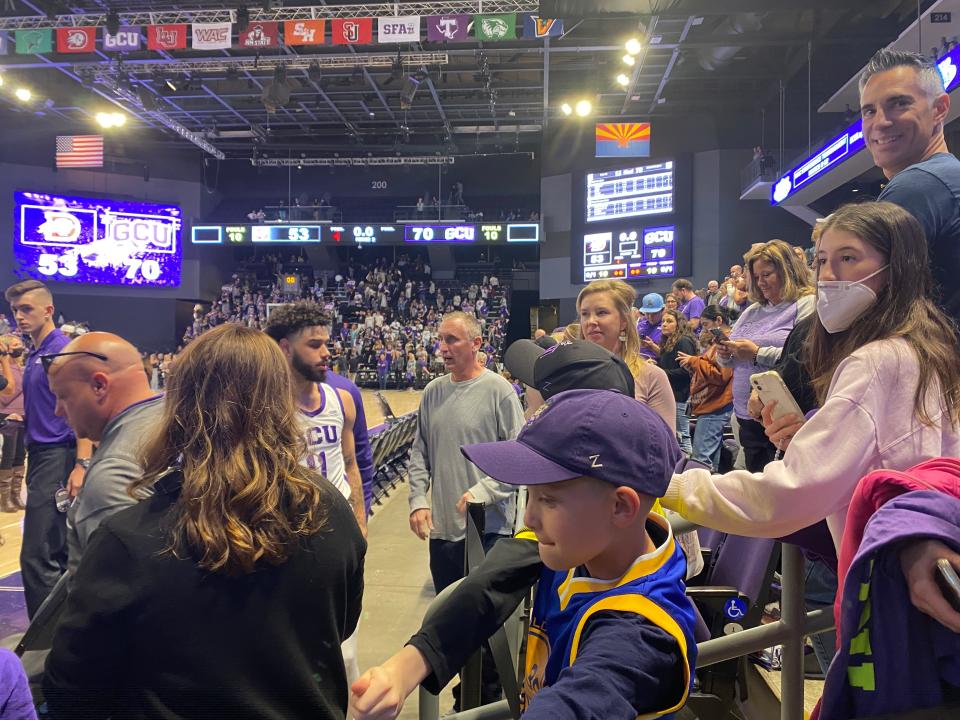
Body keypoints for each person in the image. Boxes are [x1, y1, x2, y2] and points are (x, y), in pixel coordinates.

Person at [663, 202, 960, 633]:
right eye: (822, 260)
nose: (830, 277)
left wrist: (673, 488)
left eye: (849, 258)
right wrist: (810, 437)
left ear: (898, 267)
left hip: (893, 588)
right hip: (918, 560)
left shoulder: (877, 361)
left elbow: (792, 494)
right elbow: (885, 454)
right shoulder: (928, 344)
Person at [43, 324, 366, 719]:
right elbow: (343, 624)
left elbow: (73, 688)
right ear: (283, 403)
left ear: (178, 406)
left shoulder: (128, 537)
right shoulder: (332, 509)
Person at [349, 390, 697, 720]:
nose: (529, 518)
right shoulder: (586, 549)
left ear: (621, 506)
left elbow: (583, 698)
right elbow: (489, 587)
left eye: (548, 499)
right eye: (529, 496)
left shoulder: (643, 632)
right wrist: (406, 666)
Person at [407, 311, 524, 710]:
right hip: (445, 531)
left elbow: (520, 456)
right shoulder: (433, 392)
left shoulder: (499, 392)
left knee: (488, 630)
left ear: (476, 344)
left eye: (453, 340)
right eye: (441, 340)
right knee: (452, 623)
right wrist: (418, 501)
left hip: (488, 532)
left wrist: (486, 490)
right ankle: (466, 693)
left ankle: (484, 704)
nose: (443, 348)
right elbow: (419, 452)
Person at [5, 280, 93, 617]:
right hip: (40, 457)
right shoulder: (37, 353)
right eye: (16, 310)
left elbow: (80, 408)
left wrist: (82, 464)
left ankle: (46, 646)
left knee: (38, 555)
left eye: (27, 309)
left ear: (48, 310)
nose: (20, 316)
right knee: (53, 552)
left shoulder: (61, 350)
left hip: (59, 456)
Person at [44, 333, 163, 581]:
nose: (57, 411)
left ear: (99, 385)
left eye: (63, 396)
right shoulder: (183, 419)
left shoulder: (114, 473)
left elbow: (117, 593)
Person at [860, 48, 960, 325]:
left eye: (899, 104)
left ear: (939, 108)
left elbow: (866, 312)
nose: (880, 122)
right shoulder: (946, 178)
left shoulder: (918, 186)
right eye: (869, 110)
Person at [715, 240, 814, 471]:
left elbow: (803, 358)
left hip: (783, 417)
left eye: (767, 274)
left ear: (787, 271)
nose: (761, 282)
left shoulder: (806, 304)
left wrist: (757, 353)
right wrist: (725, 353)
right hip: (746, 415)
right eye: (756, 277)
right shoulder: (752, 311)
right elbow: (728, 361)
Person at [577, 280, 676, 431]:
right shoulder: (568, 374)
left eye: (601, 312)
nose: (591, 321)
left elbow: (665, 445)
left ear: (623, 321)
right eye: (585, 314)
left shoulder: (652, 376)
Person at [678, 305, 734, 471]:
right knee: (710, 462)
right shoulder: (717, 343)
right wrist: (694, 367)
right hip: (712, 404)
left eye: (705, 324)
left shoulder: (725, 343)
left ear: (718, 320)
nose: (704, 329)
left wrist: (695, 362)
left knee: (701, 460)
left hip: (716, 405)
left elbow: (721, 375)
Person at [654, 309, 698, 454]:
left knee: (682, 436)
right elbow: (668, 366)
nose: (664, 325)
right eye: (663, 322)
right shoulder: (668, 343)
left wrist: (661, 373)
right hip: (671, 394)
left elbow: (687, 372)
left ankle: (687, 471)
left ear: (679, 324)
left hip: (680, 395)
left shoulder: (683, 341)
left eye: (669, 321)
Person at [0, 334, 26, 513]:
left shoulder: (24, 369)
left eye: (20, 344)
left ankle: (16, 495)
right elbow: (5, 395)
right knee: (7, 456)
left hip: (25, 417)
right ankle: (4, 497)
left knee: (19, 455)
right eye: (15, 345)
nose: (19, 347)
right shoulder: (3, 371)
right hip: (8, 416)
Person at [636, 292, 665, 361]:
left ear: (662, 310)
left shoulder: (666, 328)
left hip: (657, 364)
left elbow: (668, 358)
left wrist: (652, 346)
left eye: (654, 314)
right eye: (647, 313)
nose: (650, 317)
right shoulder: (640, 325)